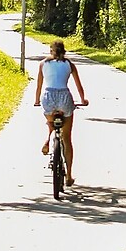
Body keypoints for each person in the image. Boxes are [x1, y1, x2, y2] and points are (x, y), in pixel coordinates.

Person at [33, 39, 88, 185]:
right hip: (64, 97)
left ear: (51, 51)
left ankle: (48, 137)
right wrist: (83, 100)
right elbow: (79, 86)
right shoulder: (69, 64)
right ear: (63, 51)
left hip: (48, 97)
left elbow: (39, 87)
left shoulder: (43, 64)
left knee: (50, 121)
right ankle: (69, 176)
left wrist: (37, 101)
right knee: (67, 138)